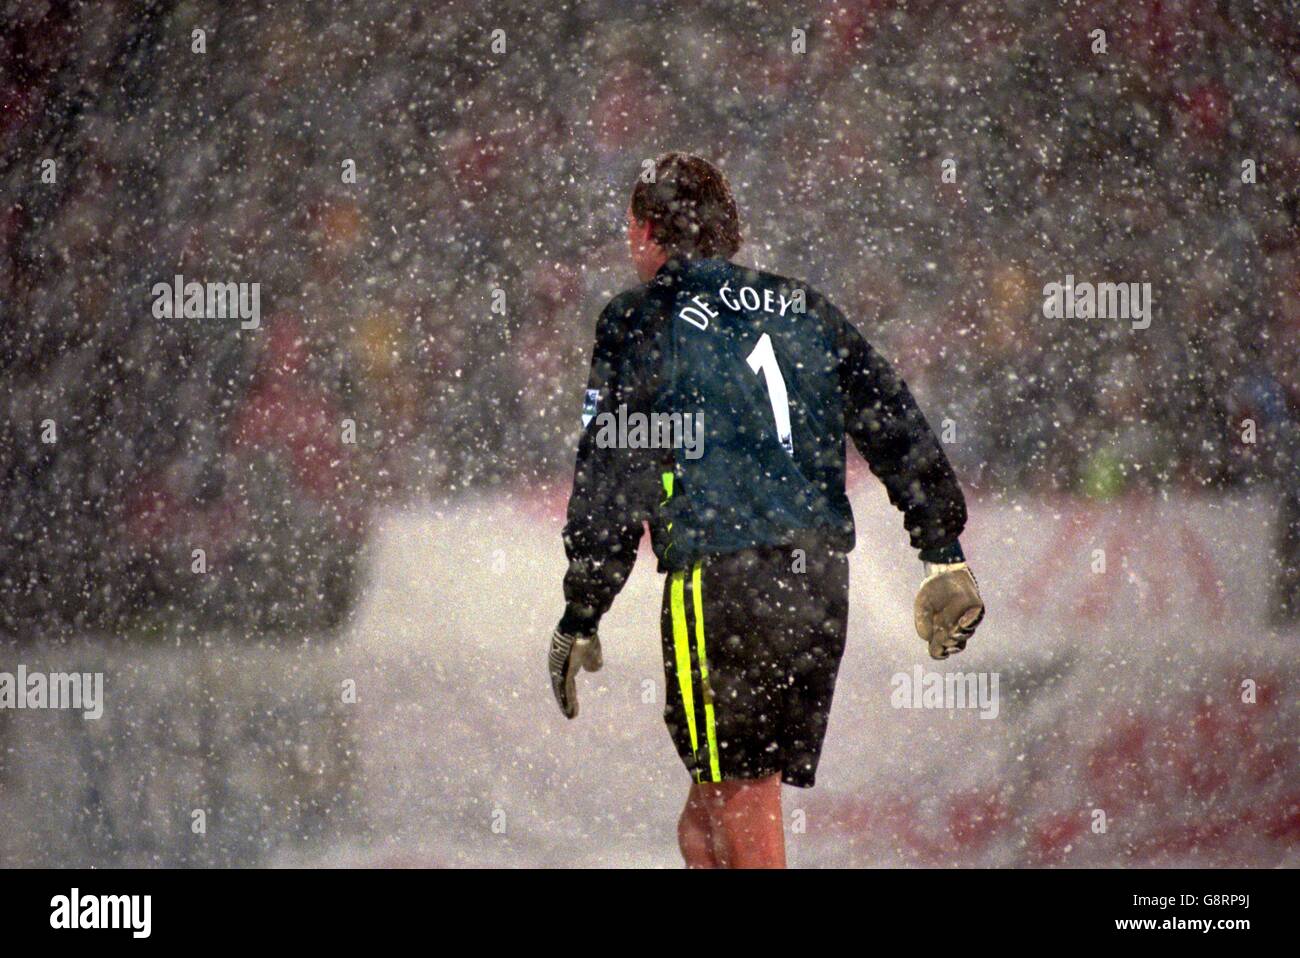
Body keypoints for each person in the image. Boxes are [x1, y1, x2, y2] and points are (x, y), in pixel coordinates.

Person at [548, 152, 984, 868]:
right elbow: (892, 418)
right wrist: (941, 548)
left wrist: (583, 606)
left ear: (651, 229)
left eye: (630, 226)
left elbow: (613, 467)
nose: (628, 243)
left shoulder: (640, 318)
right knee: (705, 823)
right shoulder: (803, 306)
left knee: (743, 805)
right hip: (816, 583)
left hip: (724, 580)